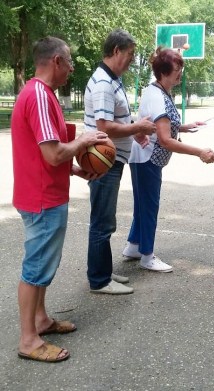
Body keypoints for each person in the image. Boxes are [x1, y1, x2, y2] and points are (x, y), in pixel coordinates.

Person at [11, 36, 111, 362]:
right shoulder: (39, 95)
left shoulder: (43, 95)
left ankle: (40, 320)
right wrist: (83, 142)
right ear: (56, 61)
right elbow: (52, 154)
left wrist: (75, 170)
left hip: (45, 193)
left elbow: (46, 154)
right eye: (68, 62)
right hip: (42, 198)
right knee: (35, 268)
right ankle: (28, 340)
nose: (71, 68)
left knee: (43, 266)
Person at [122, 47, 214, 272]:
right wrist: (199, 152)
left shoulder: (159, 91)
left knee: (143, 205)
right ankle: (147, 256)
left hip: (147, 159)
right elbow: (164, 139)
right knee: (149, 207)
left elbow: (160, 126)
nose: (180, 74)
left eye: (181, 68)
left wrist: (184, 126)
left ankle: (134, 246)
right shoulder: (158, 96)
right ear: (163, 72)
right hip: (148, 159)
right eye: (176, 69)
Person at [84, 29, 156, 294]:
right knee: (103, 222)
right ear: (116, 51)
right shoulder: (104, 82)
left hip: (110, 158)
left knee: (105, 219)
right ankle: (99, 280)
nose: (131, 60)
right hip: (103, 160)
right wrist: (137, 126)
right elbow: (104, 126)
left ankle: (102, 270)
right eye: (129, 54)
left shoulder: (111, 80)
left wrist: (134, 131)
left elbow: (116, 122)